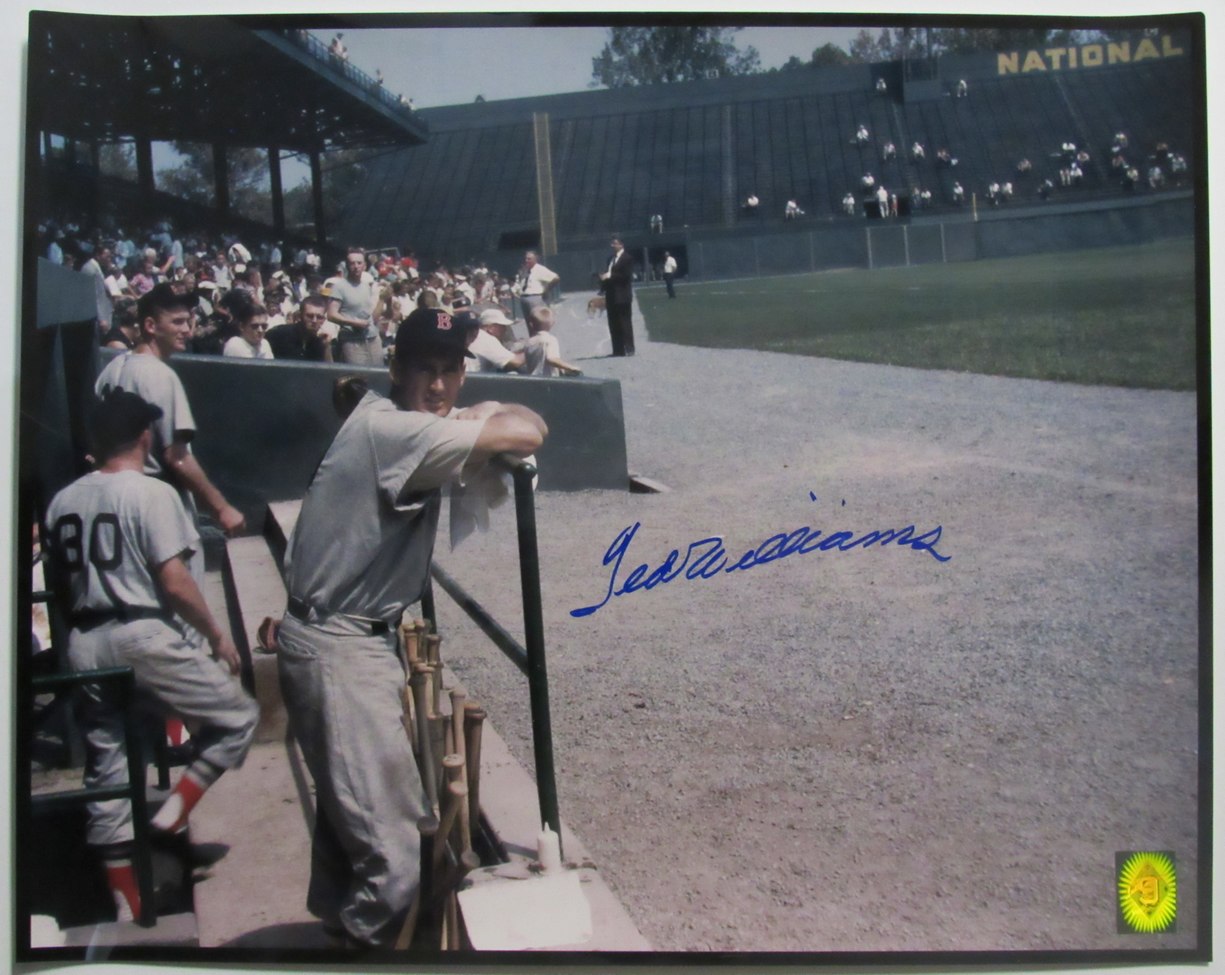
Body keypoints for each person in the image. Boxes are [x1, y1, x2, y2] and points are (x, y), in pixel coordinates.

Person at [275, 307, 547, 949]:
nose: (438, 385)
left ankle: (345, 937)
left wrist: (465, 416)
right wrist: (479, 415)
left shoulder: (388, 419)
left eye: (451, 371)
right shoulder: (393, 430)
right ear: (394, 369)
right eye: (424, 368)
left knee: (358, 839)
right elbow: (530, 433)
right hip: (338, 649)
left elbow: (522, 426)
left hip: (343, 639)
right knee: (396, 863)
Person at [43, 388, 258, 922]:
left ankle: (127, 907)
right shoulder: (151, 493)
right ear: (144, 437)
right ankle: (171, 818)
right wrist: (215, 634)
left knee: (109, 769)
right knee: (236, 717)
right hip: (138, 630)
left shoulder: (63, 499)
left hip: (84, 638)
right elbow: (175, 580)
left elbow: (58, 588)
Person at [95, 282, 246, 538]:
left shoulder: (111, 370)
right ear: (151, 326)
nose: (186, 330)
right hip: (158, 507)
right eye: (177, 322)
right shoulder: (161, 375)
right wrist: (222, 508)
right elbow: (177, 457)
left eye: (188, 321)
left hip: (112, 505)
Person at [325, 248, 384, 367]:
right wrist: (353, 323)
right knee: (358, 376)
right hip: (352, 340)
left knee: (378, 374)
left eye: (359, 263)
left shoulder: (366, 286)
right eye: (352, 263)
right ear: (347, 266)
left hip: (372, 337)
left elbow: (369, 315)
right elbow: (331, 315)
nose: (356, 266)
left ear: (365, 266)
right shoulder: (339, 287)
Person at [267, 294, 334, 362]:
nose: (314, 321)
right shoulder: (279, 334)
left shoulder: (320, 342)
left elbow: (329, 370)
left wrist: (327, 347)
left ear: (324, 320)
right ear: (300, 316)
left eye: (319, 317)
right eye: (310, 316)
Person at [599, 236, 635, 357]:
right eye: (612, 243)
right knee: (613, 323)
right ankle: (618, 350)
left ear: (621, 245)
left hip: (623, 295)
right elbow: (608, 273)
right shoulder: (610, 259)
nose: (612, 246)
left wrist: (610, 276)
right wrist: (603, 280)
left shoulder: (627, 258)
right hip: (611, 295)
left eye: (615, 243)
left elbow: (626, 276)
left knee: (625, 322)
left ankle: (629, 348)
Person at [513, 251, 559, 329]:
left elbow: (556, 278)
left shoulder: (540, 269)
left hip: (535, 298)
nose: (526, 260)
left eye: (529, 259)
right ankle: (533, 339)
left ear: (535, 259)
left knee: (538, 322)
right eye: (525, 258)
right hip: (524, 298)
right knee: (529, 324)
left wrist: (546, 290)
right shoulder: (525, 270)